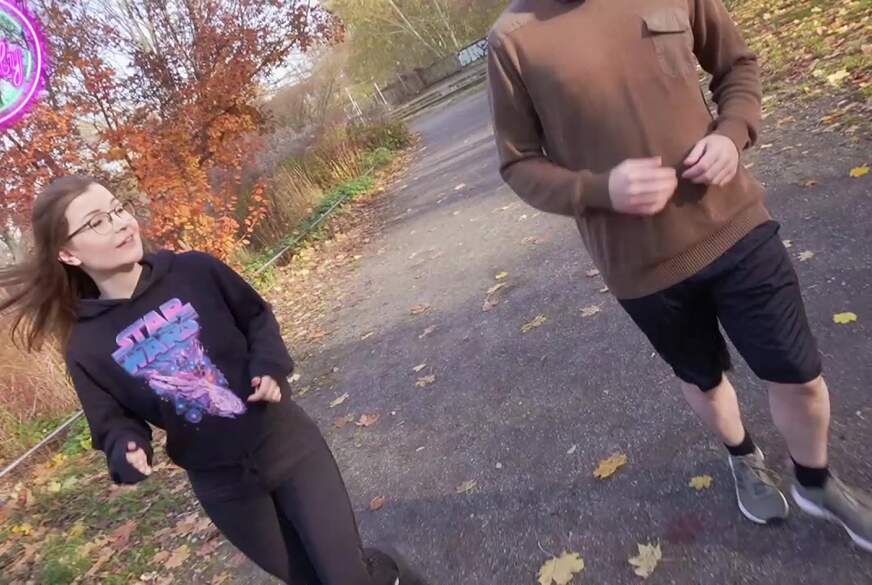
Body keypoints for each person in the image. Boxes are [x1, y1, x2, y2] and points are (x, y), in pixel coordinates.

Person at [487, 0, 871, 550]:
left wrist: (731, 132)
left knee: (798, 374)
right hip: (640, 266)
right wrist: (598, 189)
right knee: (704, 379)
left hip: (735, 225)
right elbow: (518, 162)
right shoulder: (512, 40)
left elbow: (736, 65)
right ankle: (743, 456)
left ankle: (816, 482)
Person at [0, 175, 429, 583]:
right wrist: (127, 449)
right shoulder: (85, 344)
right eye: (96, 222)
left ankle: (390, 574)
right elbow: (111, 420)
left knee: (347, 577)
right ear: (68, 254)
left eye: (117, 209)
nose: (119, 224)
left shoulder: (195, 271)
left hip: (287, 445)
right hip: (226, 487)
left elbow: (256, 317)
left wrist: (268, 367)